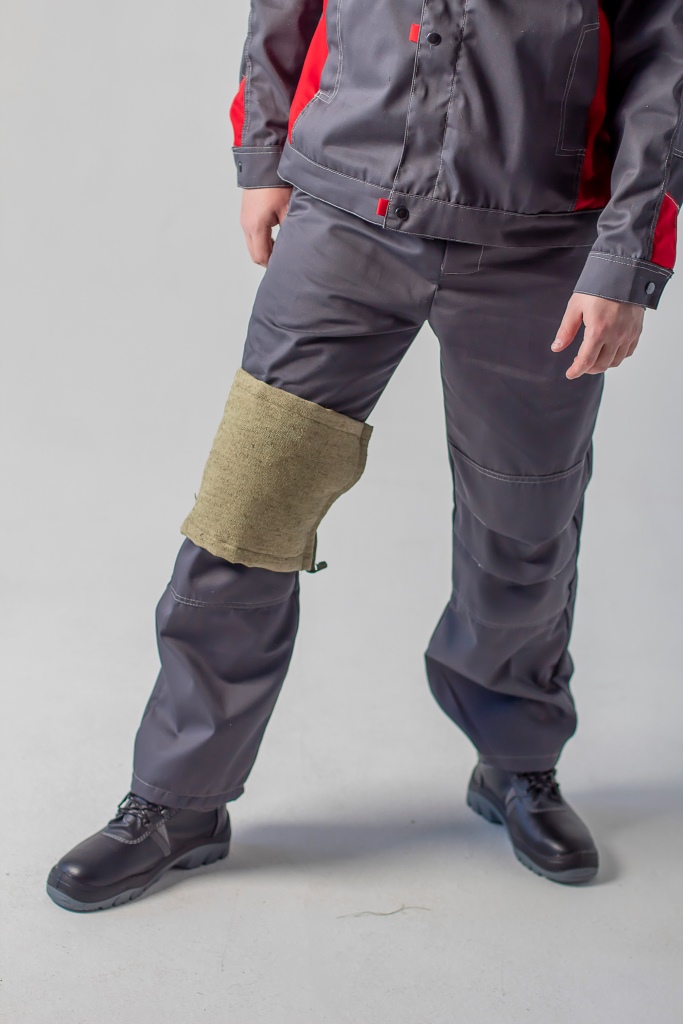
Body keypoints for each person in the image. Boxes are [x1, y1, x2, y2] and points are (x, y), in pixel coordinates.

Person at [47, 0, 683, 912]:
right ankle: (177, 803)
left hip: (542, 243)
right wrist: (263, 152)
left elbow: (665, 61)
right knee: (250, 507)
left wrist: (625, 257)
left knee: (524, 526)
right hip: (344, 215)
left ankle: (516, 762)